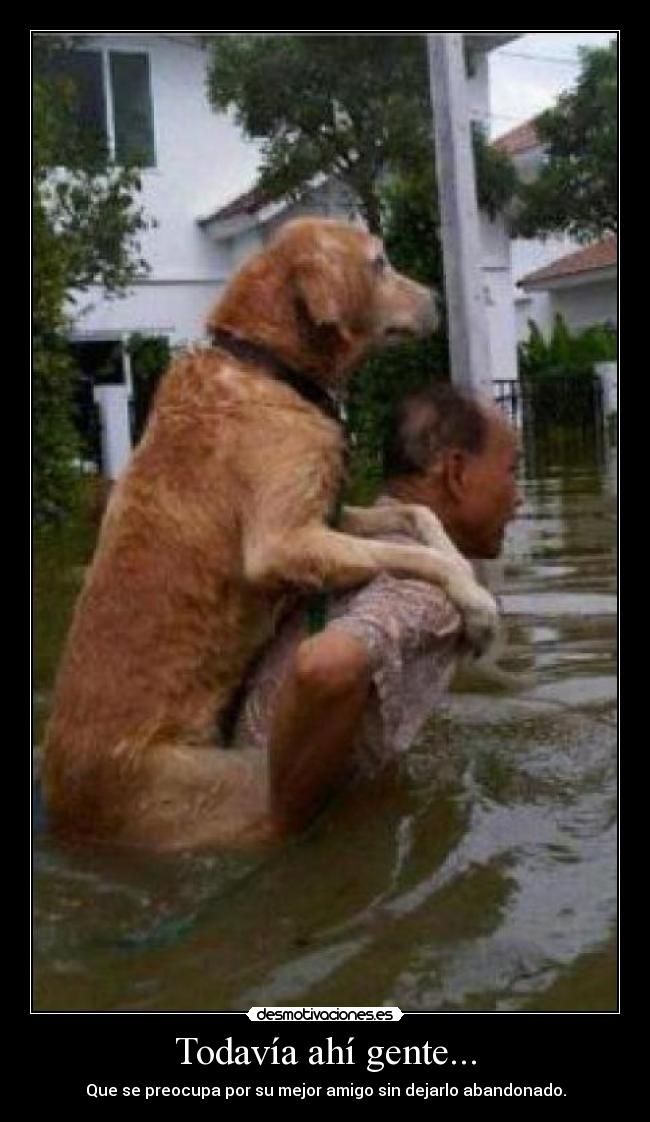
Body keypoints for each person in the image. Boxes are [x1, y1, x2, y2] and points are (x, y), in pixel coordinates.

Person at [230, 382, 522, 838]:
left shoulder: (338, 544)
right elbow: (326, 668)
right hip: (252, 836)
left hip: (209, 785)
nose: (519, 496)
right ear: (457, 473)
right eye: (512, 471)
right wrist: (283, 831)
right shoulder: (428, 589)